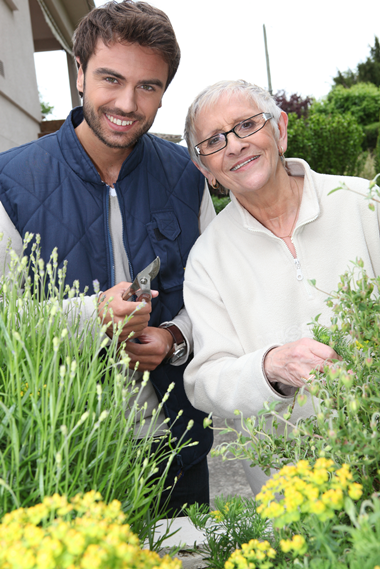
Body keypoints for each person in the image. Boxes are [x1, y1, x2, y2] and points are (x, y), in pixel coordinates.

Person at [0, 1, 214, 514]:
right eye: (110, 79)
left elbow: (220, 295)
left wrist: (175, 336)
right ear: (79, 74)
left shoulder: (190, 174)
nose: (127, 102)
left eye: (148, 86)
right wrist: (90, 315)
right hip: (62, 453)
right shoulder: (9, 182)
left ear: (164, 92)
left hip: (177, 447)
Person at [182, 79, 380, 494]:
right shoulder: (207, 259)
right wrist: (270, 367)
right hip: (295, 491)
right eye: (214, 142)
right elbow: (205, 381)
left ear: (281, 129)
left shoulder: (365, 203)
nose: (234, 145)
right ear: (206, 170)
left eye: (246, 125)